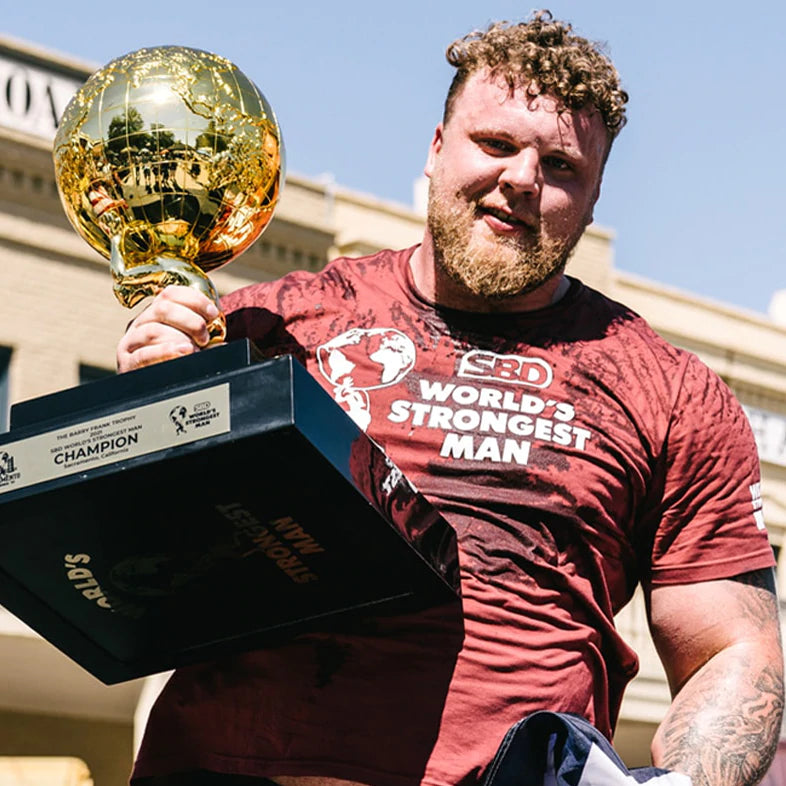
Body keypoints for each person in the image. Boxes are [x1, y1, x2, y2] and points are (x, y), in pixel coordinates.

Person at [118, 11, 784, 786]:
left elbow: (733, 650)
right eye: (495, 144)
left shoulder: (670, 392)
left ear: (596, 199)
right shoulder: (274, 326)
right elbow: (142, 571)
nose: (523, 179)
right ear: (437, 151)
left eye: (562, 165)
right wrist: (145, 416)